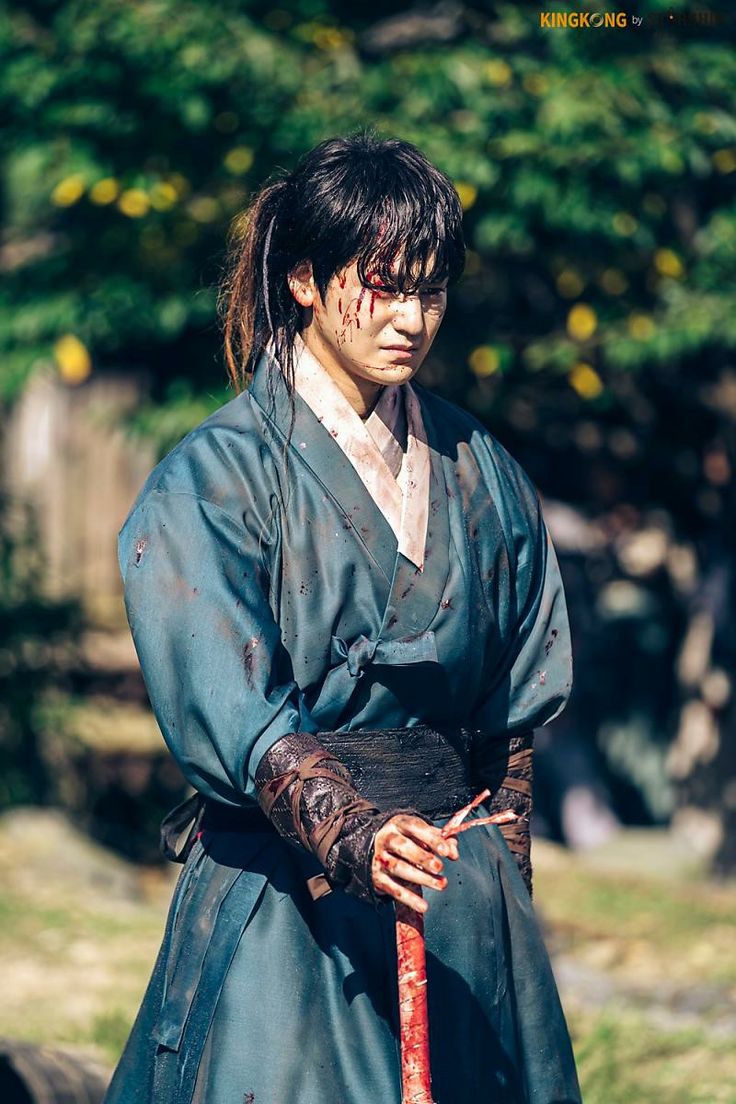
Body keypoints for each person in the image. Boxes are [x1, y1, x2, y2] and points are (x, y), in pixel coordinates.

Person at [103, 131, 581, 1104]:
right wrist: (354, 833)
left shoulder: (483, 472)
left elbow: (512, 719)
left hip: (459, 894)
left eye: (431, 291)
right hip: (286, 908)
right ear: (307, 281)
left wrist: (504, 905)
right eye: (383, 286)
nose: (410, 319)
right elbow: (236, 713)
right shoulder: (214, 478)